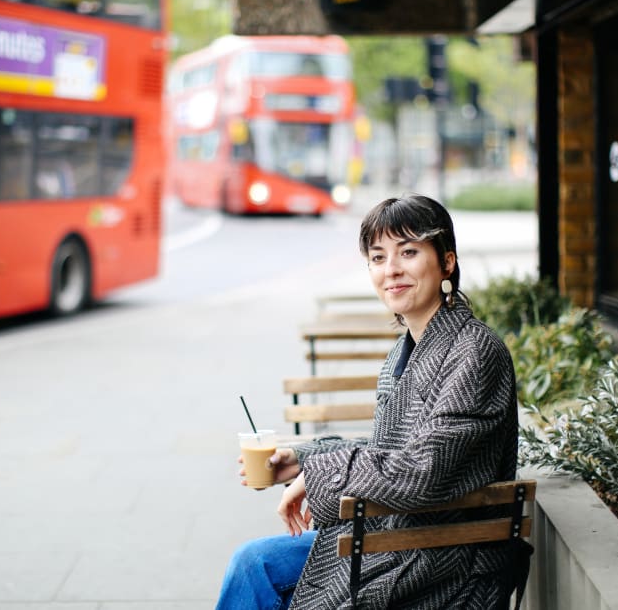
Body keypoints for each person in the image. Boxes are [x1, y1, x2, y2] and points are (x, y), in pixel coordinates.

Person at [216, 194, 521, 609]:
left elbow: (422, 471)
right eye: (378, 258)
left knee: (258, 567)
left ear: (447, 261)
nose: (391, 270)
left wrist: (321, 473)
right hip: (393, 537)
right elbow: (388, 451)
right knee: (254, 564)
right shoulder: (406, 348)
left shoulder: (475, 351)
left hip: (442, 562)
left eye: (408, 252)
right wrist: (304, 460)